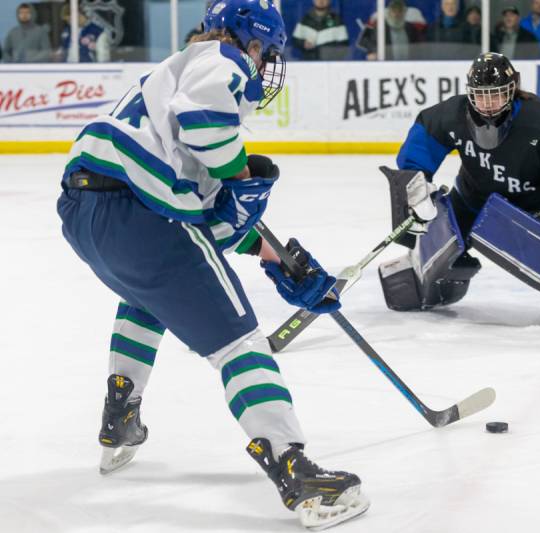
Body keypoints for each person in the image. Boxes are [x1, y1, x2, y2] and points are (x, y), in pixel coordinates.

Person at [55, 0, 369, 529]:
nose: (265, 64)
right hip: (140, 217)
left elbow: (203, 216)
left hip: (86, 211)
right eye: (266, 52)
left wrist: (282, 262)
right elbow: (205, 129)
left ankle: (120, 414)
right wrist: (243, 174)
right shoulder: (220, 60)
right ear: (249, 41)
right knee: (239, 342)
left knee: (147, 298)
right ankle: (294, 468)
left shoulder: (172, 73)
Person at [377, 53, 540, 333]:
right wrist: (416, 185)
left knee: (535, 241)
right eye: (480, 96)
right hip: (471, 201)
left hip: (532, 211)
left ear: (511, 91)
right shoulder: (452, 114)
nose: (487, 104)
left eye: (495, 95)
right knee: (444, 233)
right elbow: (423, 140)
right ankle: (416, 278)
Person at [356, 0, 425, 60]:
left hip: (409, 68)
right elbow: (365, 42)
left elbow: (419, 48)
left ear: (404, 12)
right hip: (387, 68)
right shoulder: (379, 27)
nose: (396, 14)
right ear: (389, 11)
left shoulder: (411, 28)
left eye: (400, 10)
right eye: (394, 10)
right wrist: (371, 52)